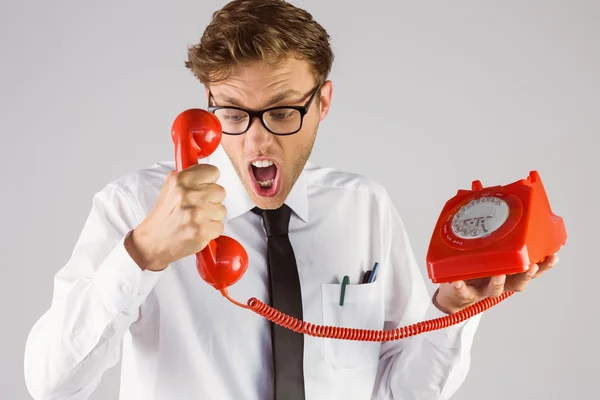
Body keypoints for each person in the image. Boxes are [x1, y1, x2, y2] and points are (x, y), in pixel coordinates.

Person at [23, 1, 559, 399]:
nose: (257, 140)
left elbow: (401, 391)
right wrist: (140, 255)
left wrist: (451, 312)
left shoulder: (364, 208)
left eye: (282, 112)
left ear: (322, 102)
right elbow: (50, 382)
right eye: (231, 113)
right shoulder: (134, 206)